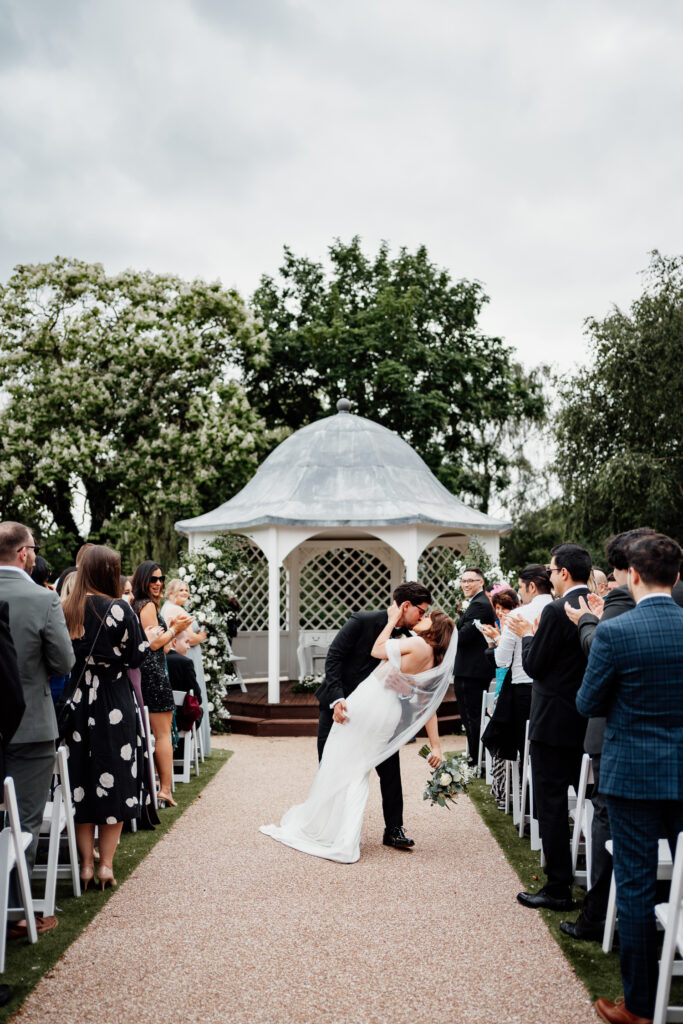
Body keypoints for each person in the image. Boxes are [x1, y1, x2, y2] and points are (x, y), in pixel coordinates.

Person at [576, 533, 683, 1024]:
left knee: (636, 887)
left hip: (634, 774)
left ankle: (639, 1007)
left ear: (633, 575)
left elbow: (588, 703)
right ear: (676, 576)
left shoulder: (616, 633)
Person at [261, 607, 456, 863]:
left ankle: (332, 832)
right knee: (358, 770)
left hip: (369, 704)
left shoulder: (417, 643)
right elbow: (428, 707)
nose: (422, 618)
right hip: (388, 713)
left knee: (339, 762)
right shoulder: (433, 659)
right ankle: (344, 837)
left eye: (427, 617)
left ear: (435, 628)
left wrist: (391, 622)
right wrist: (436, 746)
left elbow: (377, 650)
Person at [560, 529, 651, 943]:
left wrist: (588, 621)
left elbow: (598, 665)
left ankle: (597, 916)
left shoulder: (616, 601)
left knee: (609, 823)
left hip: (618, 735)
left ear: (629, 572)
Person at [315, 582, 432, 850]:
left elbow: (396, 679)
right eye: (421, 612)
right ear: (406, 606)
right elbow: (334, 657)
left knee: (390, 771)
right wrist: (337, 698)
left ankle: (394, 829)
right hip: (339, 708)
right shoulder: (363, 620)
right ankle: (329, 827)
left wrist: (403, 694)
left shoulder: (411, 638)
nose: (422, 618)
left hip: (378, 714)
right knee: (329, 766)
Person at [0, 521, 75, 937]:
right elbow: (63, 663)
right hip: (30, 725)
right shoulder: (42, 600)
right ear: (24, 554)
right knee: (23, 823)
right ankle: (15, 914)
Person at [61, 545, 151, 890]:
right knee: (115, 776)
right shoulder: (118, 608)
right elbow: (136, 657)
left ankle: (85, 865)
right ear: (109, 572)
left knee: (82, 781)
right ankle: (105, 866)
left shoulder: (66, 607)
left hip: (79, 699)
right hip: (113, 699)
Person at [511, 543, 591, 912]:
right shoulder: (598, 606)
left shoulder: (558, 611)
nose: (550, 574)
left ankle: (559, 887)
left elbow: (534, 665)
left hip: (553, 722)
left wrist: (528, 633)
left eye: (552, 568)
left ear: (562, 573)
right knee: (590, 801)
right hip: (587, 721)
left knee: (553, 804)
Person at [131, 562, 192, 806]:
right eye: (152, 579)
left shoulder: (139, 604)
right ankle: (165, 788)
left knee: (157, 733)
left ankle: (159, 783)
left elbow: (162, 644)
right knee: (163, 734)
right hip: (153, 675)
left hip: (148, 672)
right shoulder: (145, 605)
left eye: (160, 578)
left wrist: (172, 634)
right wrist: (176, 628)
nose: (157, 583)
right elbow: (153, 644)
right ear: (143, 581)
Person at [452, 567, 496, 768]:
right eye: (463, 581)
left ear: (481, 582)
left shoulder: (479, 605)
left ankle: (475, 762)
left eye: (471, 580)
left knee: (472, 717)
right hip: (470, 670)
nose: (466, 584)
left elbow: (462, 636)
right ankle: (475, 757)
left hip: (472, 671)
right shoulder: (477, 603)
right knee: (470, 717)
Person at [161, 578, 210, 754]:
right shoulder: (175, 609)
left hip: (181, 652)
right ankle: (194, 747)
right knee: (192, 694)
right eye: (181, 590)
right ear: (171, 592)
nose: (185, 593)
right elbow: (191, 638)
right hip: (186, 653)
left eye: (187, 590)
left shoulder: (166, 607)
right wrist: (203, 634)